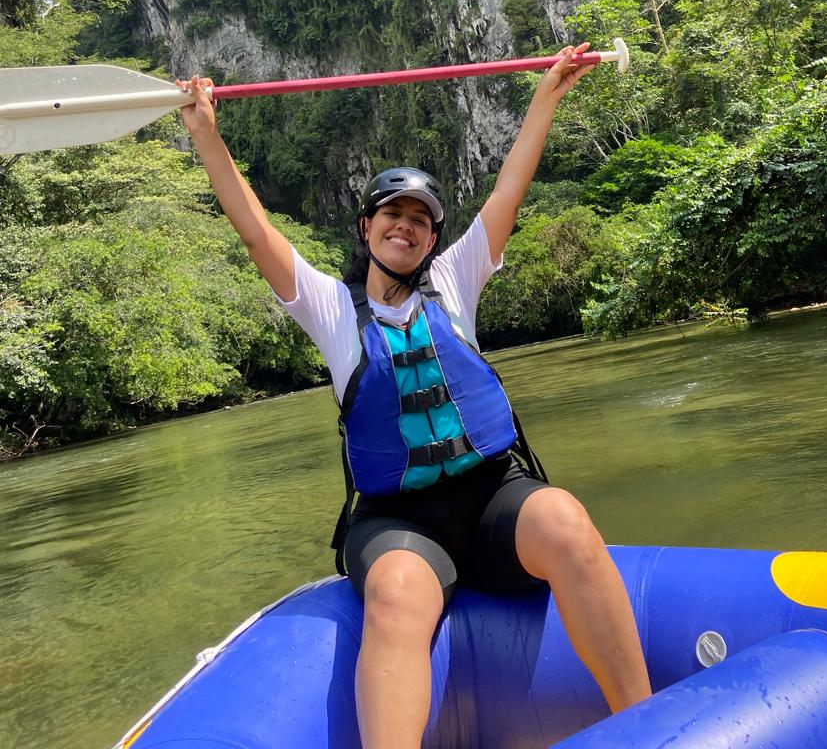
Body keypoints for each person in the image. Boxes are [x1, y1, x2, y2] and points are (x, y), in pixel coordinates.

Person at [178, 44, 651, 749]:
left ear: (432, 239)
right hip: (400, 523)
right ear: (365, 229)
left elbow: (509, 190)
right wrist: (205, 134)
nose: (405, 224)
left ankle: (645, 726)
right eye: (390, 214)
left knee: (566, 522)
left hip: (494, 498)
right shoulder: (333, 312)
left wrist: (548, 93)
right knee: (397, 594)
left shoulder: (457, 283)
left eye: (420, 218)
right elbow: (256, 230)